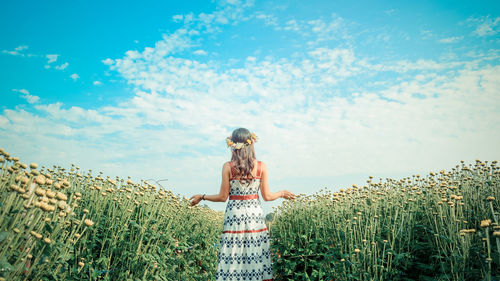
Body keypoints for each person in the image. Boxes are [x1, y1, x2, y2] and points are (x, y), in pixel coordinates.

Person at [190, 128, 295, 281]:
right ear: (251, 144)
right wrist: (282, 193)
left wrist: (203, 197)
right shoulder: (261, 166)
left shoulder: (228, 167)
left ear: (232, 145)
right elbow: (267, 196)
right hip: (255, 215)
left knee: (234, 252)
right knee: (255, 252)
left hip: (234, 215)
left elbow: (222, 197)